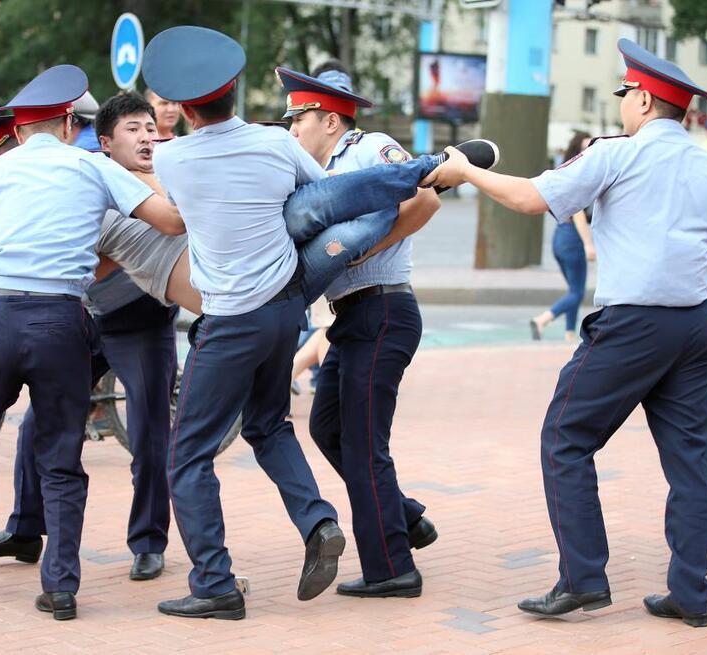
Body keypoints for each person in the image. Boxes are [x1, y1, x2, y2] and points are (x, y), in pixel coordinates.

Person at [141, 26, 469, 621]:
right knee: (277, 426)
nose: (295, 125)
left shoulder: (171, 156)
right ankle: (320, 521)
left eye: (303, 116)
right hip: (288, 310)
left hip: (241, 317)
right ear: (235, 91)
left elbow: (171, 216)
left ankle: (216, 583)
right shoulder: (274, 146)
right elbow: (325, 202)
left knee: (188, 454)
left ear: (184, 108)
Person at [423, 38, 707, 628]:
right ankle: (690, 595)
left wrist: (467, 169)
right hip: (697, 327)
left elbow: (530, 198)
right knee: (691, 463)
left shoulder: (615, 154)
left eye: (625, 93)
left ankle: (583, 580)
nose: (622, 102)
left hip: (633, 325)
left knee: (565, 438)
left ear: (646, 102)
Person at [0, 64, 186, 621]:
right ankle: (61, 585)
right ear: (65, 123)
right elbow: (170, 223)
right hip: (61, 319)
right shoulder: (91, 166)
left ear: (20, 129)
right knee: (61, 455)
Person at [0, 92, 180, 583]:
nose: (148, 135)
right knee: (36, 424)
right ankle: (25, 528)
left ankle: (148, 541)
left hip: (141, 324)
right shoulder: (82, 174)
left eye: (151, 127)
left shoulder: (170, 179)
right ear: (104, 142)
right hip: (84, 320)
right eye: (134, 128)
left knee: (149, 431)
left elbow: (164, 236)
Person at [279, 62, 442, 599]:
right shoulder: (316, 171)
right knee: (328, 429)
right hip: (350, 317)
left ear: (328, 119)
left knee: (366, 444)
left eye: (297, 118)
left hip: (385, 311)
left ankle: (392, 568)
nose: (291, 128)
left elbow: (427, 197)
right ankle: (405, 518)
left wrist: (364, 250)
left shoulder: (372, 149)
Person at [531, 131, 596, 342]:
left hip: (560, 238)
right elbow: (577, 214)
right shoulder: (580, 175)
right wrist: (588, 244)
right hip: (572, 239)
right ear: (577, 150)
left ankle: (569, 334)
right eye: (586, 147)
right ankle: (543, 319)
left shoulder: (569, 170)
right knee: (577, 293)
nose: (590, 151)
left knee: (573, 290)